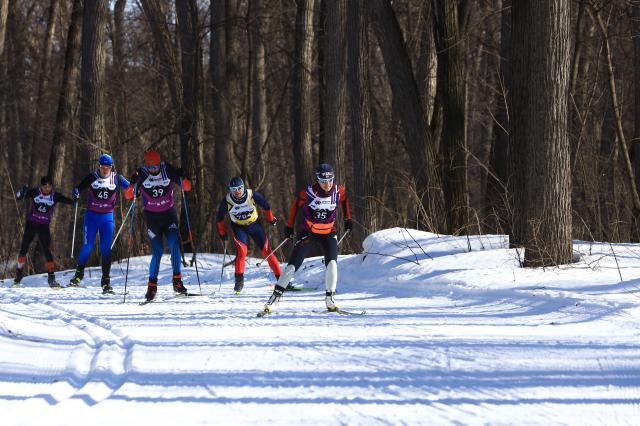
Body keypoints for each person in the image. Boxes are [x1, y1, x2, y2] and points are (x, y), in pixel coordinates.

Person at [261, 163, 352, 314]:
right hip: (309, 233)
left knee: (332, 264)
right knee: (292, 267)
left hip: (329, 233)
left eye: (330, 180)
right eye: (323, 181)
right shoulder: (308, 192)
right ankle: (274, 299)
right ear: (318, 180)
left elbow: (344, 200)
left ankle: (330, 299)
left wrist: (348, 218)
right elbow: (295, 205)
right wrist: (289, 226)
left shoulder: (338, 190)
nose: (327, 184)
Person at [125, 149, 191, 302]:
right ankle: (152, 285)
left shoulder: (167, 169)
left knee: (174, 242)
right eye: (150, 167)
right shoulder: (141, 173)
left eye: (155, 166)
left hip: (169, 215)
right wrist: (132, 183)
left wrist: (182, 176)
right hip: (153, 219)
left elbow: (187, 187)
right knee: (158, 251)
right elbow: (129, 196)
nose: (153, 170)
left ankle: (177, 281)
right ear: (146, 165)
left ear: (159, 163)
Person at [68, 154, 130, 293]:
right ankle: (78, 275)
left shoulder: (117, 178)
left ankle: (106, 281)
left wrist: (134, 192)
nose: (105, 170)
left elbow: (131, 188)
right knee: (88, 246)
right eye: (102, 167)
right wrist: (76, 193)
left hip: (107, 218)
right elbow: (77, 188)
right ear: (99, 166)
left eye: (107, 167)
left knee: (105, 249)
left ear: (111, 167)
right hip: (91, 217)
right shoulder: (92, 176)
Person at [216, 176, 281, 293]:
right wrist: (222, 232)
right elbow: (219, 217)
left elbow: (265, 205)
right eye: (234, 189)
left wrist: (271, 219)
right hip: (239, 227)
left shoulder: (251, 195)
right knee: (242, 252)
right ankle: (239, 282)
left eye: (240, 188)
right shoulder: (227, 200)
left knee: (267, 250)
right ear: (230, 190)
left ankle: (281, 280)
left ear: (243, 187)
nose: (237, 191)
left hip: (254, 225)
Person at [12, 175, 74, 288]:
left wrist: (75, 199)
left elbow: (70, 201)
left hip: (44, 226)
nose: (47, 188)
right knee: (23, 249)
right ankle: (18, 276)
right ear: (41, 186)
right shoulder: (35, 192)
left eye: (49, 186)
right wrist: (22, 192)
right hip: (31, 224)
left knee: (47, 251)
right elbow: (18, 197)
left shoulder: (55, 196)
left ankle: (51, 278)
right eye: (45, 186)